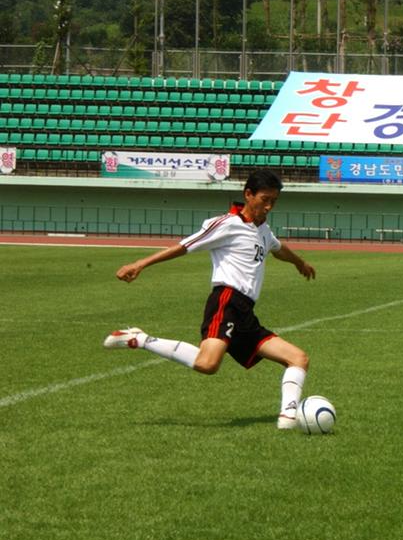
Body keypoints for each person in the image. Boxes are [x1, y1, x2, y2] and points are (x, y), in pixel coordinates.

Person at [102, 169, 319, 429]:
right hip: (226, 302)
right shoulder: (227, 224)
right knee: (207, 364)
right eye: (264, 199)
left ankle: (288, 418)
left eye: (274, 201)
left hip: (246, 313)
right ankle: (140, 339)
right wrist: (141, 263)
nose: (269, 206)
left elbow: (278, 248)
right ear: (248, 194)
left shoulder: (263, 230)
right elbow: (185, 245)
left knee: (299, 358)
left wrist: (300, 263)